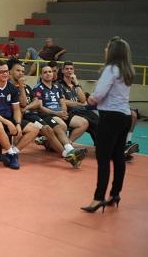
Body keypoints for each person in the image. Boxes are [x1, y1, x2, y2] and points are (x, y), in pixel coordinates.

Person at [82, 37, 134, 213]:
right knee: (118, 157)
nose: (105, 50)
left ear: (113, 51)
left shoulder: (111, 69)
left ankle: (98, 198)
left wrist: (90, 99)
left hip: (110, 117)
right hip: (124, 116)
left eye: (107, 47)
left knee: (103, 158)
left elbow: (99, 94)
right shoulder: (127, 70)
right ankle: (114, 194)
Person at [8, 59, 87, 168]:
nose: (22, 73)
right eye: (18, 71)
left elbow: (35, 102)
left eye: (22, 71)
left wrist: (27, 107)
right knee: (47, 129)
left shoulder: (27, 87)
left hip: (33, 113)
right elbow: (24, 102)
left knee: (58, 127)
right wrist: (22, 90)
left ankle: (70, 150)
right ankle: (67, 155)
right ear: (10, 72)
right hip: (23, 116)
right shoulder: (12, 87)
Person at [0, 61, 41, 170]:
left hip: (8, 117)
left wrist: (17, 123)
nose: (5, 74)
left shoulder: (12, 88)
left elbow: (17, 109)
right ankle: (11, 154)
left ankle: (12, 153)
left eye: (6, 71)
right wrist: (8, 123)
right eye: (1, 72)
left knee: (35, 129)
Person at [33, 65, 89, 144]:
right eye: (45, 72)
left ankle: (67, 143)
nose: (48, 74)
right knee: (63, 126)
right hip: (49, 114)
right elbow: (40, 107)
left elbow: (62, 101)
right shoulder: (38, 88)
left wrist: (64, 112)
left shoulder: (57, 86)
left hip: (60, 113)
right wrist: (56, 113)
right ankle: (62, 145)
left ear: (53, 74)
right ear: (41, 75)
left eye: (50, 72)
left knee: (84, 123)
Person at [57, 61, 99, 143]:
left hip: (81, 110)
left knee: (97, 121)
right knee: (93, 122)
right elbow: (63, 101)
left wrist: (76, 83)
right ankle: (67, 143)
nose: (69, 70)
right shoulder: (59, 84)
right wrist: (79, 104)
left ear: (73, 71)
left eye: (71, 69)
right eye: (67, 69)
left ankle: (100, 145)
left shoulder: (75, 85)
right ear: (62, 71)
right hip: (70, 111)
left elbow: (83, 99)